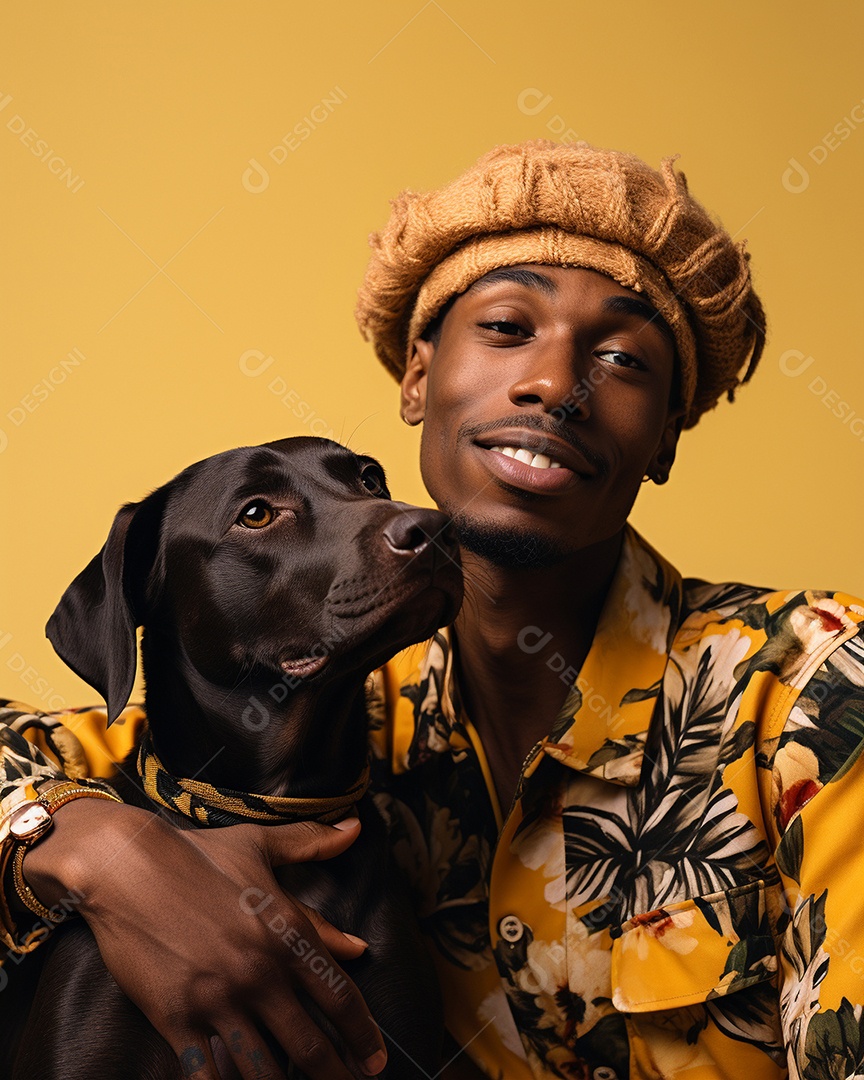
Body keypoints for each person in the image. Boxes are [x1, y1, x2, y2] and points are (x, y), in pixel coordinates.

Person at [2, 141, 863, 1080]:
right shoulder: (346, 707)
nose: (553, 384)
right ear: (418, 377)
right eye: (505, 326)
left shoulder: (812, 693)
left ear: (665, 436)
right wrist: (101, 845)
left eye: (621, 357)